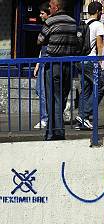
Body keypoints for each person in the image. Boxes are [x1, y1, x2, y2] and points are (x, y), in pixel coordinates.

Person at [37, 0, 80, 141]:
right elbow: (77, 42)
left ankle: (54, 132)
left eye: (50, 6)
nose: (49, 8)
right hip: (68, 64)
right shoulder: (73, 22)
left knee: (52, 99)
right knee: (61, 99)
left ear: (57, 7)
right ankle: (56, 131)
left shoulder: (51, 21)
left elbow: (40, 40)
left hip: (53, 63)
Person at [75, 1, 104, 130]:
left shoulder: (83, 23)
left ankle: (82, 121)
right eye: (101, 11)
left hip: (80, 60)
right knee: (101, 87)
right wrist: (102, 61)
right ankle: (84, 115)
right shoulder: (98, 25)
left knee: (86, 89)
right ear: (98, 12)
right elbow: (99, 45)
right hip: (91, 60)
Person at [33, 1, 50, 130]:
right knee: (39, 90)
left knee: (43, 91)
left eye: (42, 13)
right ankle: (47, 117)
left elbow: (41, 42)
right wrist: (38, 64)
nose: (40, 15)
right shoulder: (45, 25)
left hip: (47, 61)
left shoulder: (48, 26)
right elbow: (42, 48)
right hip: (43, 61)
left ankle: (45, 118)